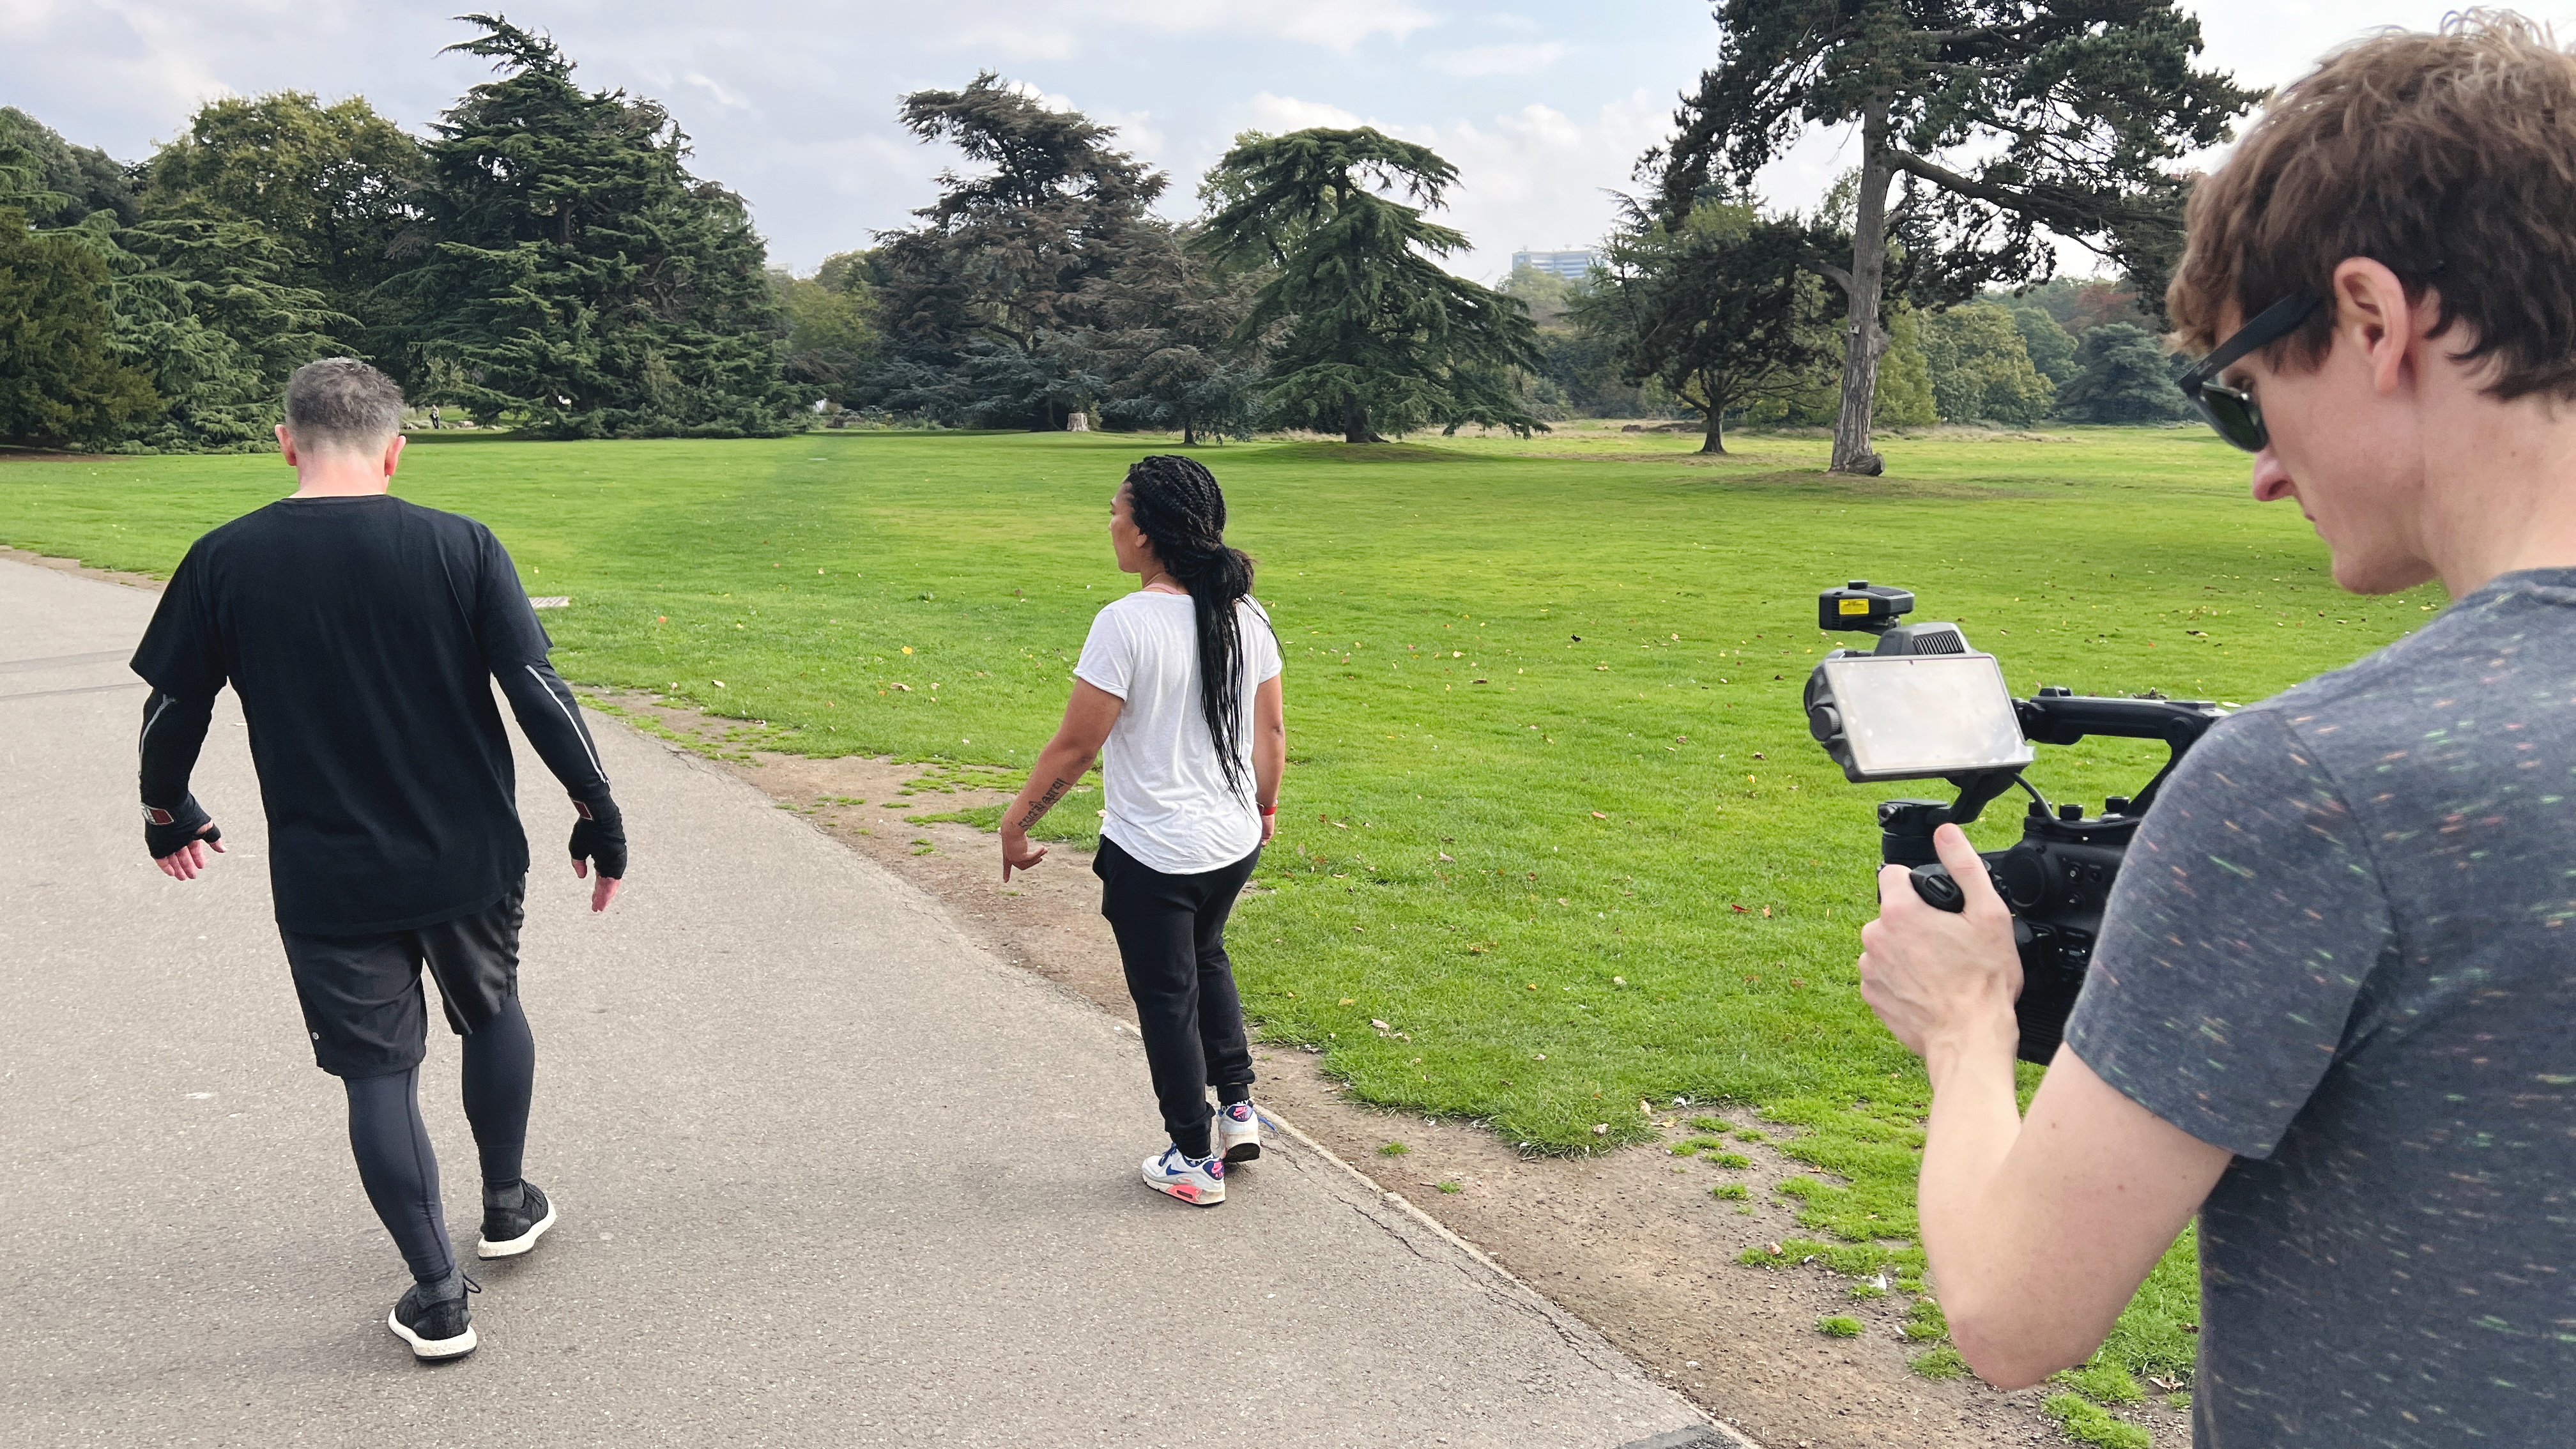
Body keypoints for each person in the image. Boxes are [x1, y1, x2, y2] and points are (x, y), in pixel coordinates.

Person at [1851, 16, 2576, 1443]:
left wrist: (1965, 1018)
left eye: (2248, 396)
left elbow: (2013, 1309)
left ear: (2374, 321)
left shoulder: (2316, 790)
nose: (2261, 476)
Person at [133, 358, 629, 1360]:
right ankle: (504, 1204)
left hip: (330, 875)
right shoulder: (460, 546)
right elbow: (539, 688)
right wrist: (597, 807)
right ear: (397, 450)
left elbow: (171, 709)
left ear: (286, 441)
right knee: (492, 1009)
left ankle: (438, 1298)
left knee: (377, 1077)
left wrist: (166, 809)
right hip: (470, 852)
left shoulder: (224, 559)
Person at [998, 455, 1285, 1206]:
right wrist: (1263, 808)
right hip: (1230, 841)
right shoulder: (1245, 610)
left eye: (1117, 513)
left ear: (1149, 532)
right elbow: (1273, 732)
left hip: (1156, 853)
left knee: (1167, 998)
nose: (1112, 526)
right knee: (1206, 953)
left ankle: (1193, 1158)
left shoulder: (1124, 623)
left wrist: (1017, 823)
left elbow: (1077, 747)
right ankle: (1237, 1108)